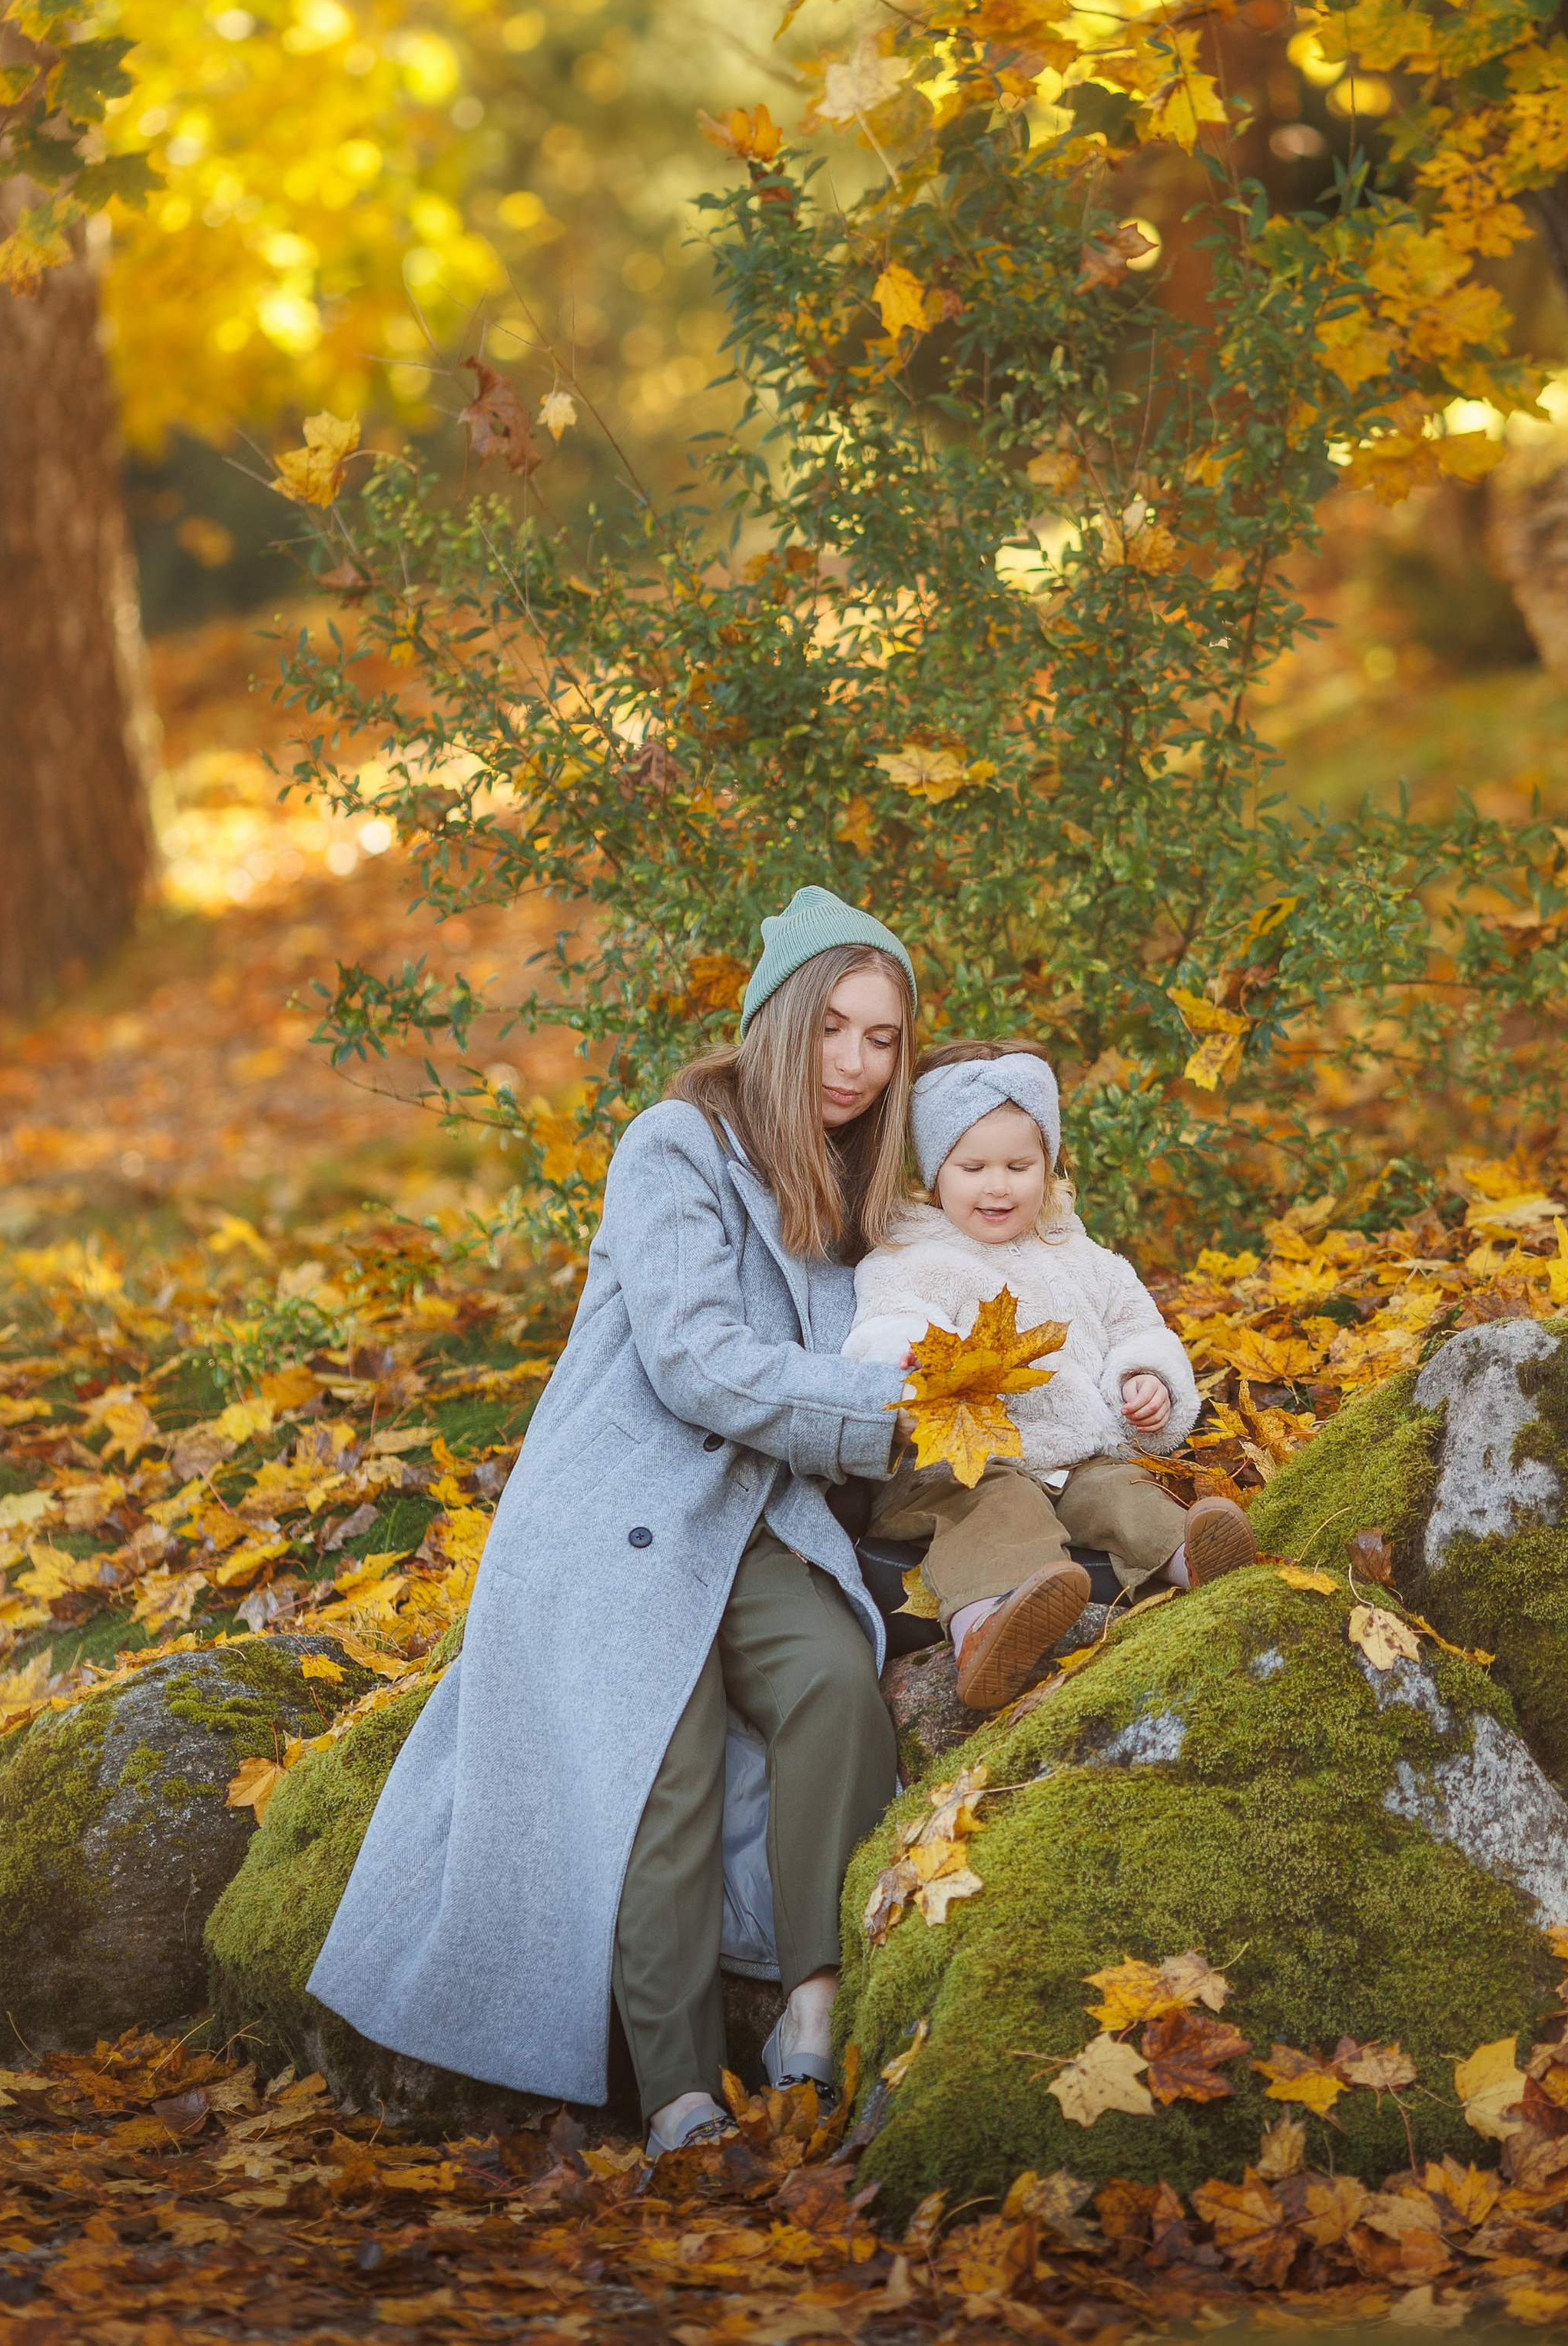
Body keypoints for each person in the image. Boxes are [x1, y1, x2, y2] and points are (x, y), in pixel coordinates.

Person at [307, 885, 919, 2161]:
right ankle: (680, 2090)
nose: (857, 1065)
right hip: (617, 1524)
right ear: (778, 1021)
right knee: (663, 1765)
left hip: (757, 1519)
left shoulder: (860, 1188)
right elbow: (698, 1360)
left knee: (830, 1682)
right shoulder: (674, 1145)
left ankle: (810, 2008)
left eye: (884, 1039)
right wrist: (894, 1409)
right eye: (835, 1031)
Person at [845, 1040, 1258, 1711]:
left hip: (1075, 1457)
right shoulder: (913, 1254)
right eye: (972, 1166)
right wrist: (908, 1358)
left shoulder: (1078, 1252)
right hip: (962, 1466)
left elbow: (1136, 1323)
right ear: (934, 1174)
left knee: (1121, 1491)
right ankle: (990, 1629)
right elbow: (885, 1322)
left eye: (1019, 1165)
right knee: (996, 1511)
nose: (998, 1185)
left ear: (1050, 1166)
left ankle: (1195, 1557)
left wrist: (1144, 1376)